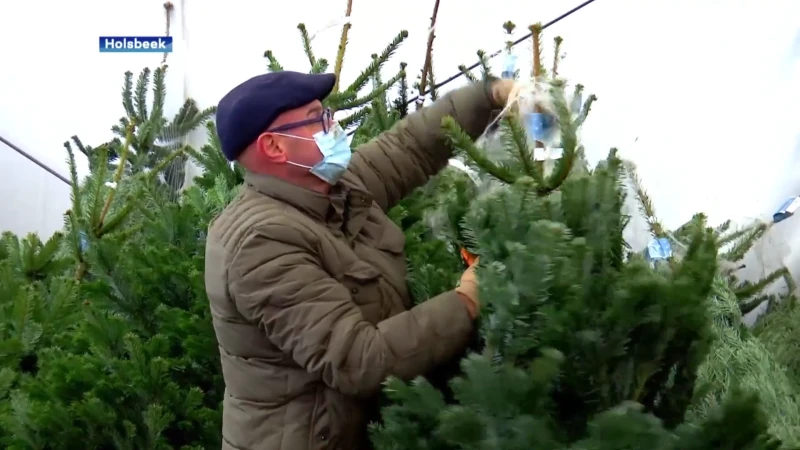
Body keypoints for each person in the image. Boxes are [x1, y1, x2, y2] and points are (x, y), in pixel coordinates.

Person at [204, 70, 516, 450]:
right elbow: (360, 360)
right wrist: (466, 300)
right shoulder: (261, 243)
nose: (332, 127)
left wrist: (490, 96)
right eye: (317, 119)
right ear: (274, 148)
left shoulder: (332, 188)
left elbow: (411, 147)